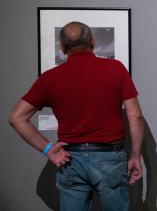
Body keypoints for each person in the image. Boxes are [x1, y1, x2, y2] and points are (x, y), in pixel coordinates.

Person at [9, 21, 144, 211]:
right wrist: (136, 156)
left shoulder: (50, 78)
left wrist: (49, 149)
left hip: (71, 159)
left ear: (63, 48)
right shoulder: (115, 69)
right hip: (110, 158)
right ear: (92, 42)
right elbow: (135, 116)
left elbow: (16, 117)